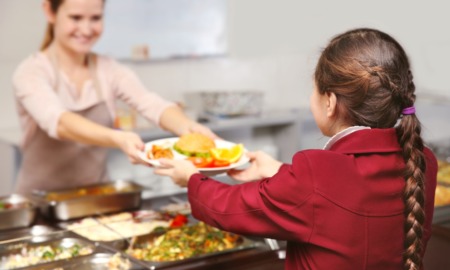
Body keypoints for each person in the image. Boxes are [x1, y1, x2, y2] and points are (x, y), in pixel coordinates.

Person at [154, 28, 438, 270]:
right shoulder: (422, 160)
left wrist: (190, 177)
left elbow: (228, 207)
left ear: (330, 102)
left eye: (314, 89)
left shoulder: (316, 173)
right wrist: (279, 171)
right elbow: (349, 196)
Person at [12, 0, 215, 194]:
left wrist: (187, 127)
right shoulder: (31, 72)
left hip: (98, 198)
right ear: (49, 11)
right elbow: (60, 122)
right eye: (75, 17)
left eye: (95, 18)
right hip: (39, 203)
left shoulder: (109, 69)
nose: (86, 29)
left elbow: (150, 103)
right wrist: (118, 137)